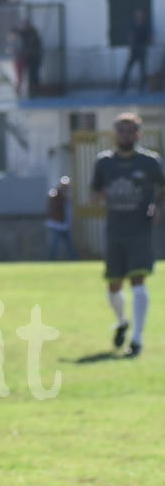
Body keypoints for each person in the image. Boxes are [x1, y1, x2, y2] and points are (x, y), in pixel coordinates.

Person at [91, 113, 164, 357]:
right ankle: (122, 321)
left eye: (130, 131)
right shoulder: (104, 162)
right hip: (115, 230)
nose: (125, 135)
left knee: (138, 281)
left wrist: (157, 208)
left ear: (138, 134)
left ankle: (137, 340)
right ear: (115, 134)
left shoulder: (149, 162)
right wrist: (101, 196)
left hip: (139, 230)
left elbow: (162, 188)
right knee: (113, 286)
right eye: (121, 131)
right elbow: (94, 192)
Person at [119, 9, 153, 94]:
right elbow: (130, 36)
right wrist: (131, 45)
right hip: (134, 50)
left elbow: (149, 37)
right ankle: (123, 86)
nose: (139, 16)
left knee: (142, 69)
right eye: (138, 15)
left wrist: (144, 45)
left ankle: (142, 87)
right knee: (128, 68)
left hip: (141, 49)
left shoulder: (146, 26)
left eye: (140, 15)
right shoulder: (133, 25)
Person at [45, 176, 76, 261]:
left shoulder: (68, 194)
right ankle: (51, 260)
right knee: (55, 245)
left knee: (70, 245)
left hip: (65, 224)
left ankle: (75, 259)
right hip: (56, 224)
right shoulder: (56, 192)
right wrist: (59, 191)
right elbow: (50, 196)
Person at [13, 18, 43, 97]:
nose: (25, 26)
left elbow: (33, 46)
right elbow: (17, 33)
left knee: (33, 75)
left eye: (26, 24)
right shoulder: (23, 34)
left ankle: (34, 91)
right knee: (22, 76)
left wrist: (27, 52)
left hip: (34, 58)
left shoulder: (33, 34)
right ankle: (25, 91)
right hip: (26, 58)